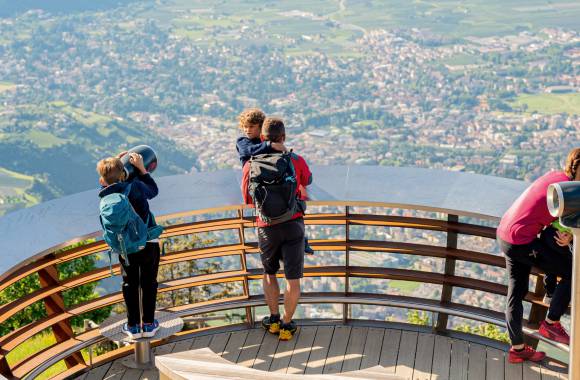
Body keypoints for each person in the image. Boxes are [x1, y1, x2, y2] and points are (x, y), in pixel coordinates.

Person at [497, 147, 580, 363]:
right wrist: (570, 236)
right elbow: (568, 217)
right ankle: (551, 324)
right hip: (522, 241)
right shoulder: (568, 189)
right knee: (573, 272)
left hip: (505, 234)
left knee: (517, 292)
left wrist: (567, 235)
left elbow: (551, 215)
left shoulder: (555, 176)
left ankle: (518, 349)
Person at [241, 117, 312, 341]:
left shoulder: (250, 163)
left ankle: (272, 319)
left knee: (269, 273)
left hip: (267, 227)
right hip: (293, 224)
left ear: (262, 138)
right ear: (284, 136)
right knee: (293, 279)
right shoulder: (295, 159)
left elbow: (247, 199)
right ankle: (287, 325)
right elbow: (307, 180)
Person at [97, 152, 161, 339]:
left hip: (125, 248)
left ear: (102, 180)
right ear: (124, 173)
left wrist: (113, 164)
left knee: (130, 284)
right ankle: (148, 325)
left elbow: (106, 181)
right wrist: (141, 169)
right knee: (148, 283)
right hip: (148, 242)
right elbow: (154, 190)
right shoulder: (136, 186)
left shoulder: (105, 194)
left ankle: (133, 326)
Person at [236, 108, 314, 255]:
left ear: (261, 127)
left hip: (272, 182)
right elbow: (247, 152)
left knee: (294, 199)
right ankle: (298, 239)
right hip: (259, 183)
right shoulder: (243, 142)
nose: (247, 130)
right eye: (245, 127)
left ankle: (302, 238)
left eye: (252, 126)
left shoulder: (265, 141)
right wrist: (270, 146)